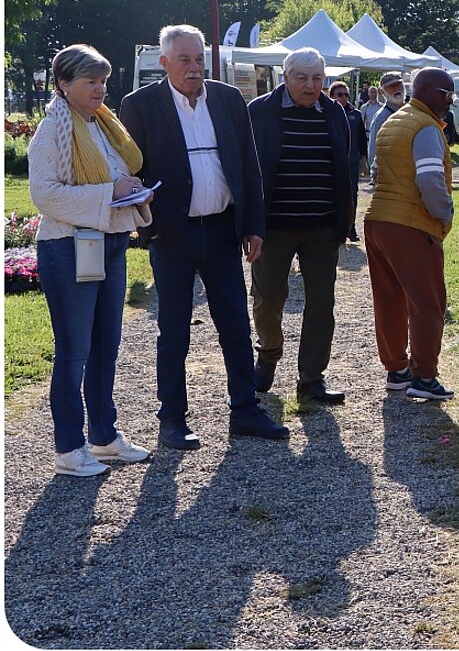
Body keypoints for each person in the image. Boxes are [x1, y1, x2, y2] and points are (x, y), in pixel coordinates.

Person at [119, 24, 288, 449]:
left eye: (199, 60)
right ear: (164, 63)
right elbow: (129, 173)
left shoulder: (229, 99)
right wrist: (149, 229)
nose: (194, 69)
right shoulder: (139, 105)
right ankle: (172, 418)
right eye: (184, 60)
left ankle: (245, 409)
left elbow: (249, 166)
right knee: (174, 329)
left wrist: (252, 225)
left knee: (234, 323)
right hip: (172, 238)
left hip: (221, 232)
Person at [29, 44, 155, 476]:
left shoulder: (101, 124)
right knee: (75, 350)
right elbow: (44, 195)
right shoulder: (53, 130)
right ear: (64, 85)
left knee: (106, 345)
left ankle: (104, 437)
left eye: (103, 80)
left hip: (109, 243)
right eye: (91, 81)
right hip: (69, 248)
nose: (101, 88)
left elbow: (112, 177)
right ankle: (69, 448)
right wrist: (112, 194)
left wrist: (133, 188)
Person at [247, 50, 356, 404]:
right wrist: (250, 225)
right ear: (284, 76)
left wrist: (345, 221)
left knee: (322, 303)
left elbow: (345, 168)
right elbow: (246, 173)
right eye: (302, 78)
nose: (310, 86)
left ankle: (311, 378)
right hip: (273, 227)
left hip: (322, 228)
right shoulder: (260, 111)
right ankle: (267, 356)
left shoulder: (335, 112)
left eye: (317, 78)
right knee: (267, 298)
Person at [363, 66, 458, 401]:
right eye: (448, 94)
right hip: (410, 225)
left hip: (377, 221)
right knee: (427, 304)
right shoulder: (427, 127)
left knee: (388, 300)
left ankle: (397, 370)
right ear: (430, 92)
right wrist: (444, 215)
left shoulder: (392, 121)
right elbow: (430, 181)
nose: (451, 101)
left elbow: (375, 171)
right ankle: (424, 377)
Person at [329, 79, 368, 239]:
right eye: (340, 94)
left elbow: (361, 139)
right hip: (331, 163)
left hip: (351, 162)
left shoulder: (355, 115)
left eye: (346, 94)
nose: (344, 97)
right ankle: (334, 227)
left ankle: (350, 228)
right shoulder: (327, 113)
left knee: (352, 195)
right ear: (331, 96)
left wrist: (364, 159)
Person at [367, 72, 406, 183]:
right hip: (389, 178)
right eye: (391, 86)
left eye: (398, 84)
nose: (396, 89)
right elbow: (373, 150)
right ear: (382, 92)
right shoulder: (381, 118)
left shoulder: (412, 111)